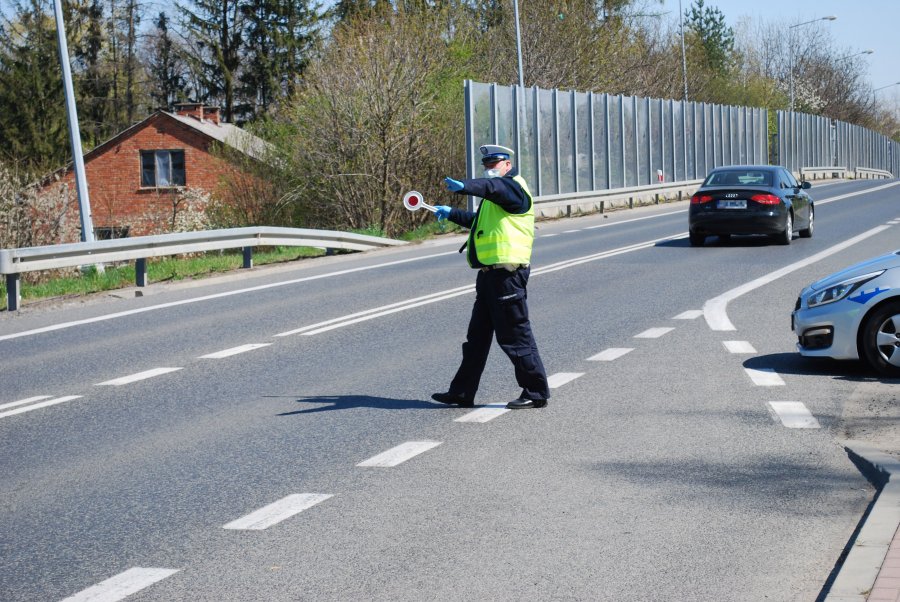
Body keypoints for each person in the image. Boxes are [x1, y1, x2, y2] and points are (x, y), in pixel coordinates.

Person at [430, 144, 550, 410]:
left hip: (507, 275)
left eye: (495, 163)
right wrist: (451, 213)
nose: (490, 168)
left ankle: (535, 392)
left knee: (515, 337)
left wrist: (464, 186)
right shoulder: (498, 197)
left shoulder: (513, 188)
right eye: (486, 165)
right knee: (477, 338)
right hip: (488, 276)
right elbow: (480, 222)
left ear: (508, 164)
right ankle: (462, 392)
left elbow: (492, 187)